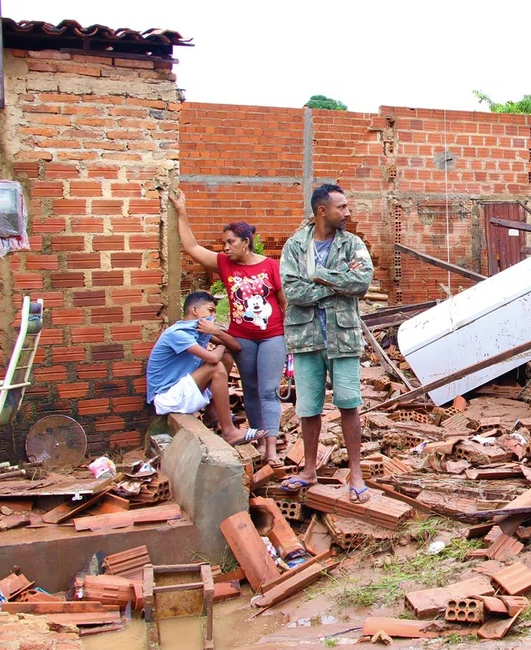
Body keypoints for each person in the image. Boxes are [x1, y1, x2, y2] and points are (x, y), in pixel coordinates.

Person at [171, 190, 286, 466]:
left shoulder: (271, 266)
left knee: (269, 389)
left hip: (272, 336)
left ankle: (271, 448)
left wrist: (289, 337)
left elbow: (284, 303)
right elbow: (192, 247)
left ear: (246, 242)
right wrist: (181, 211)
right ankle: (259, 439)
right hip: (241, 339)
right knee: (251, 388)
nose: (225, 247)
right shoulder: (224, 264)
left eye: (230, 242)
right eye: (224, 243)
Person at [279, 184, 374, 502]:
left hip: (343, 336)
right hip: (306, 336)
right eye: (342, 207)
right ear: (323, 211)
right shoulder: (295, 246)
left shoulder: (352, 244)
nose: (347, 213)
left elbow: (361, 283)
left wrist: (319, 276)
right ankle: (309, 470)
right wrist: (336, 280)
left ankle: (356, 474)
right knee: (308, 408)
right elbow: (293, 292)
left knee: (349, 403)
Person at [145, 291, 257, 446]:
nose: (213, 316)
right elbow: (212, 358)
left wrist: (217, 333)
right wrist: (222, 344)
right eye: (210, 311)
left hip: (182, 390)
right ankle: (229, 432)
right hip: (166, 397)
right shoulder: (178, 333)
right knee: (216, 367)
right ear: (195, 311)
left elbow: (236, 347)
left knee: (226, 358)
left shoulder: (199, 330)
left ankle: (212, 413)